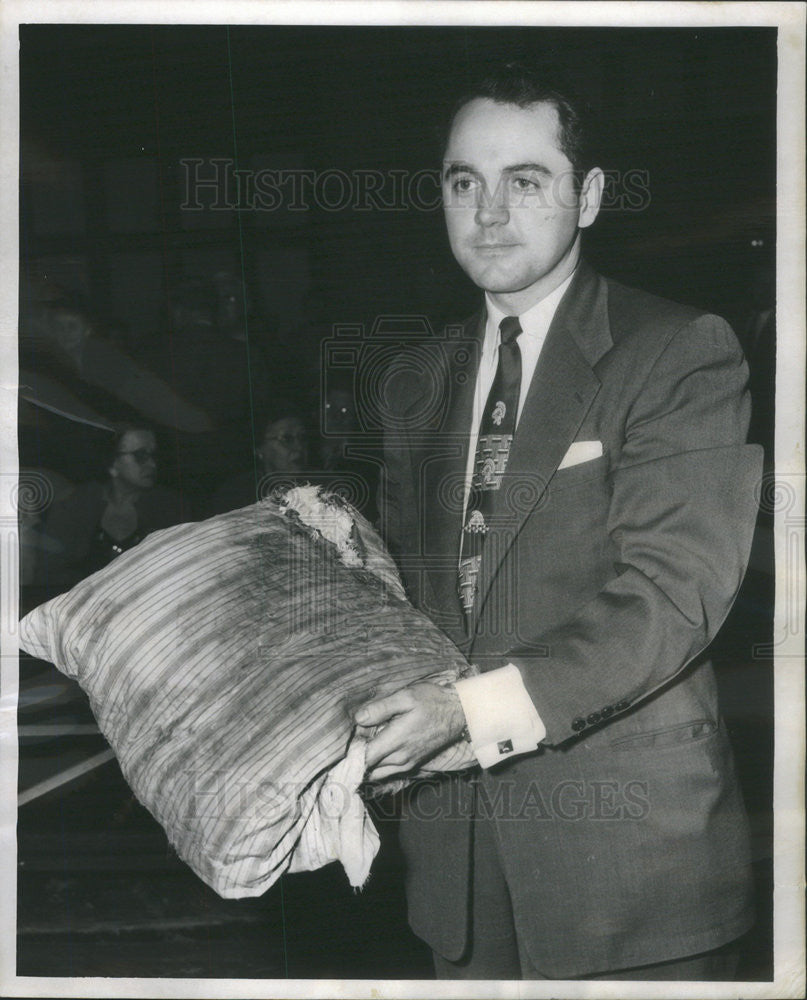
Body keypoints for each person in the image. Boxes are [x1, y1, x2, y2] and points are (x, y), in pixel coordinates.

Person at [356, 64, 763, 981]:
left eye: (524, 181)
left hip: (629, 873)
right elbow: (406, 607)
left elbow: (671, 596)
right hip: (455, 875)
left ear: (587, 198)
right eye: (464, 183)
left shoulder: (675, 350)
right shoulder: (414, 383)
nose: (488, 213)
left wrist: (462, 710)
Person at [42, 425, 184, 588]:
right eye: (140, 455)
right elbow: (49, 572)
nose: (152, 464)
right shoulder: (75, 504)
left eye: (153, 455)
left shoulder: (169, 506)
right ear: (112, 462)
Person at [207, 407, 311, 514]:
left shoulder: (320, 488)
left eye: (302, 437)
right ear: (259, 448)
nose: (299, 447)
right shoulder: (236, 494)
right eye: (286, 439)